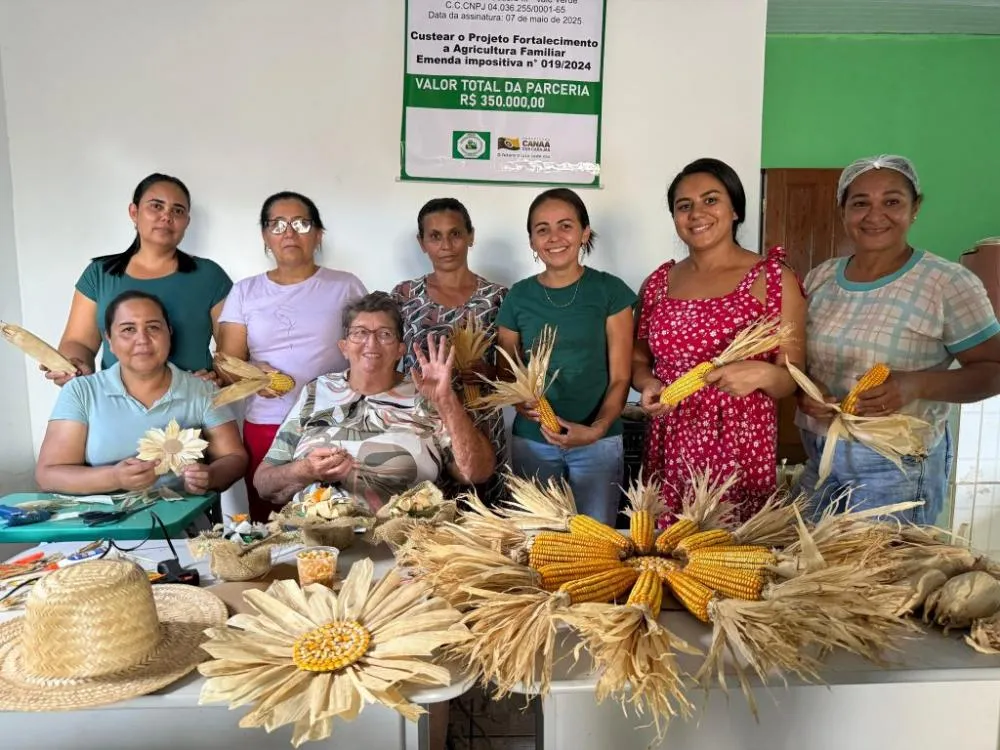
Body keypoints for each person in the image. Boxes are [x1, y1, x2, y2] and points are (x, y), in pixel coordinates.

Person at [796, 154, 1000, 525]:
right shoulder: (820, 278)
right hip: (821, 455)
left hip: (895, 469)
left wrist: (915, 385)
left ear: (915, 207)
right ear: (843, 211)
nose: (876, 216)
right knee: (810, 577)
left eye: (892, 202)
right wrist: (806, 393)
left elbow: (993, 370)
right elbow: (802, 364)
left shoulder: (948, 283)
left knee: (881, 580)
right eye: (860, 203)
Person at [632, 158, 806, 523]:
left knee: (731, 560)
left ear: (736, 210)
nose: (697, 213)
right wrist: (648, 384)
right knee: (667, 560)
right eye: (684, 206)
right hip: (671, 441)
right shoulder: (659, 283)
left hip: (739, 445)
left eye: (711, 200)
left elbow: (792, 377)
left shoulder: (773, 278)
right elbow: (638, 360)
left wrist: (759, 374)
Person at [253, 292, 496, 511]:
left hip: (403, 538)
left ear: (400, 349)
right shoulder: (317, 390)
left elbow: (476, 473)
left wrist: (447, 401)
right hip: (318, 542)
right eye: (359, 333)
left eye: (385, 334)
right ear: (344, 347)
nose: (371, 343)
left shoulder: (428, 396)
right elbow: (263, 484)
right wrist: (305, 470)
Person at [216, 191, 367, 522]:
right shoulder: (245, 291)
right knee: (272, 525)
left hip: (336, 423)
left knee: (337, 517)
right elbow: (225, 363)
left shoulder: (346, 286)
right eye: (278, 224)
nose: (289, 232)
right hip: (268, 425)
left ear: (318, 234)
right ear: (265, 236)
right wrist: (252, 372)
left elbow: (369, 352)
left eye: (301, 223)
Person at [496, 188, 635, 528]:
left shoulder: (610, 291)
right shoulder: (519, 296)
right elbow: (506, 367)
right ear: (531, 240)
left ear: (585, 232)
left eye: (565, 226)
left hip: (598, 440)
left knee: (597, 543)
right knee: (539, 541)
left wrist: (596, 429)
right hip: (534, 439)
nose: (554, 237)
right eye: (542, 229)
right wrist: (519, 403)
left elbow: (621, 376)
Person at [35, 291, 247, 495]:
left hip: (183, 527)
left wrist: (210, 476)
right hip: (100, 524)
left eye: (153, 327)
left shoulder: (202, 390)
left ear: (169, 333)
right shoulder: (82, 391)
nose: (142, 339)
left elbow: (235, 457)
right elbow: (48, 475)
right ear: (109, 339)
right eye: (128, 329)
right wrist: (114, 478)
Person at [48, 173, 232, 386]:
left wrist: (218, 378)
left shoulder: (210, 276)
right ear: (134, 212)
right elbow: (78, 341)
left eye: (178, 210)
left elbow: (231, 357)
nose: (166, 216)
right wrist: (75, 366)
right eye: (156, 206)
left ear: (186, 222)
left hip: (193, 408)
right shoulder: (99, 274)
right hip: (116, 406)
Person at [392, 197, 507, 504]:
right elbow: (389, 356)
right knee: (420, 509)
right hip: (420, 419)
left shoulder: (497, 297)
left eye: (455, 234)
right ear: (422, 243)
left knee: (482, 513)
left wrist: (489, 372)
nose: (446, 245)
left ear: (470, 236)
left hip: (479, 421)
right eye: (435, 236)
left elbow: (513, 368)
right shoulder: (404, 295)